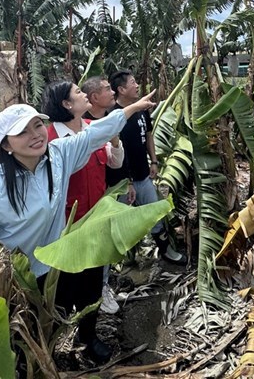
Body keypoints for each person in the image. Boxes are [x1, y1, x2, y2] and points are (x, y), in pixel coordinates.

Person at [0, 90, 156, 363]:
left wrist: (129, 110)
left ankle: (87, 338)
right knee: (32, 328)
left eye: (37, 125)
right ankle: (32, 361)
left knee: (88, 288)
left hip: (58, 256)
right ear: (7, 145)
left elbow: (95, 134)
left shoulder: (57, 155)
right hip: (22, 273)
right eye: (22, 132)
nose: (35, 135)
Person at [40, 80, 125, 359]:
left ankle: (88, 337)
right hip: (64, 228)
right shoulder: (49, 138)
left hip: (94, 222)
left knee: (92, 285)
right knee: (62, 290)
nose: (83, 95)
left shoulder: (92, 129)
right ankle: (49, 345)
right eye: (77, 93)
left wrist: (113, 138)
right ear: (66, 105)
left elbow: (115, 162)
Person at [109, 70, 186, 264]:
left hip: (143, 175)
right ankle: (124, 260)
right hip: (122, 182)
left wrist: (153, 160)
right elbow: (116, 150)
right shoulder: (114, 116)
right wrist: (127, 182)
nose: (137, 86)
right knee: (123, 222)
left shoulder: (141, 109)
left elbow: (149, 135)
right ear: (121, 89)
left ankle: (166, 251)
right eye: (133, 82)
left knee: (155, 215)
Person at [80, 76, 136, 314]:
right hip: (90, 200)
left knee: (110, 241)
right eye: (106, 89)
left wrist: (128, 182)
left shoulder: (110, 120)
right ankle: (98, 290)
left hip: (114, 189)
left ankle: (104, 282)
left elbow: (117, 160)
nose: (112, 92)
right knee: (96, 245)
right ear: (94, 97)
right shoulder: (86, 127)